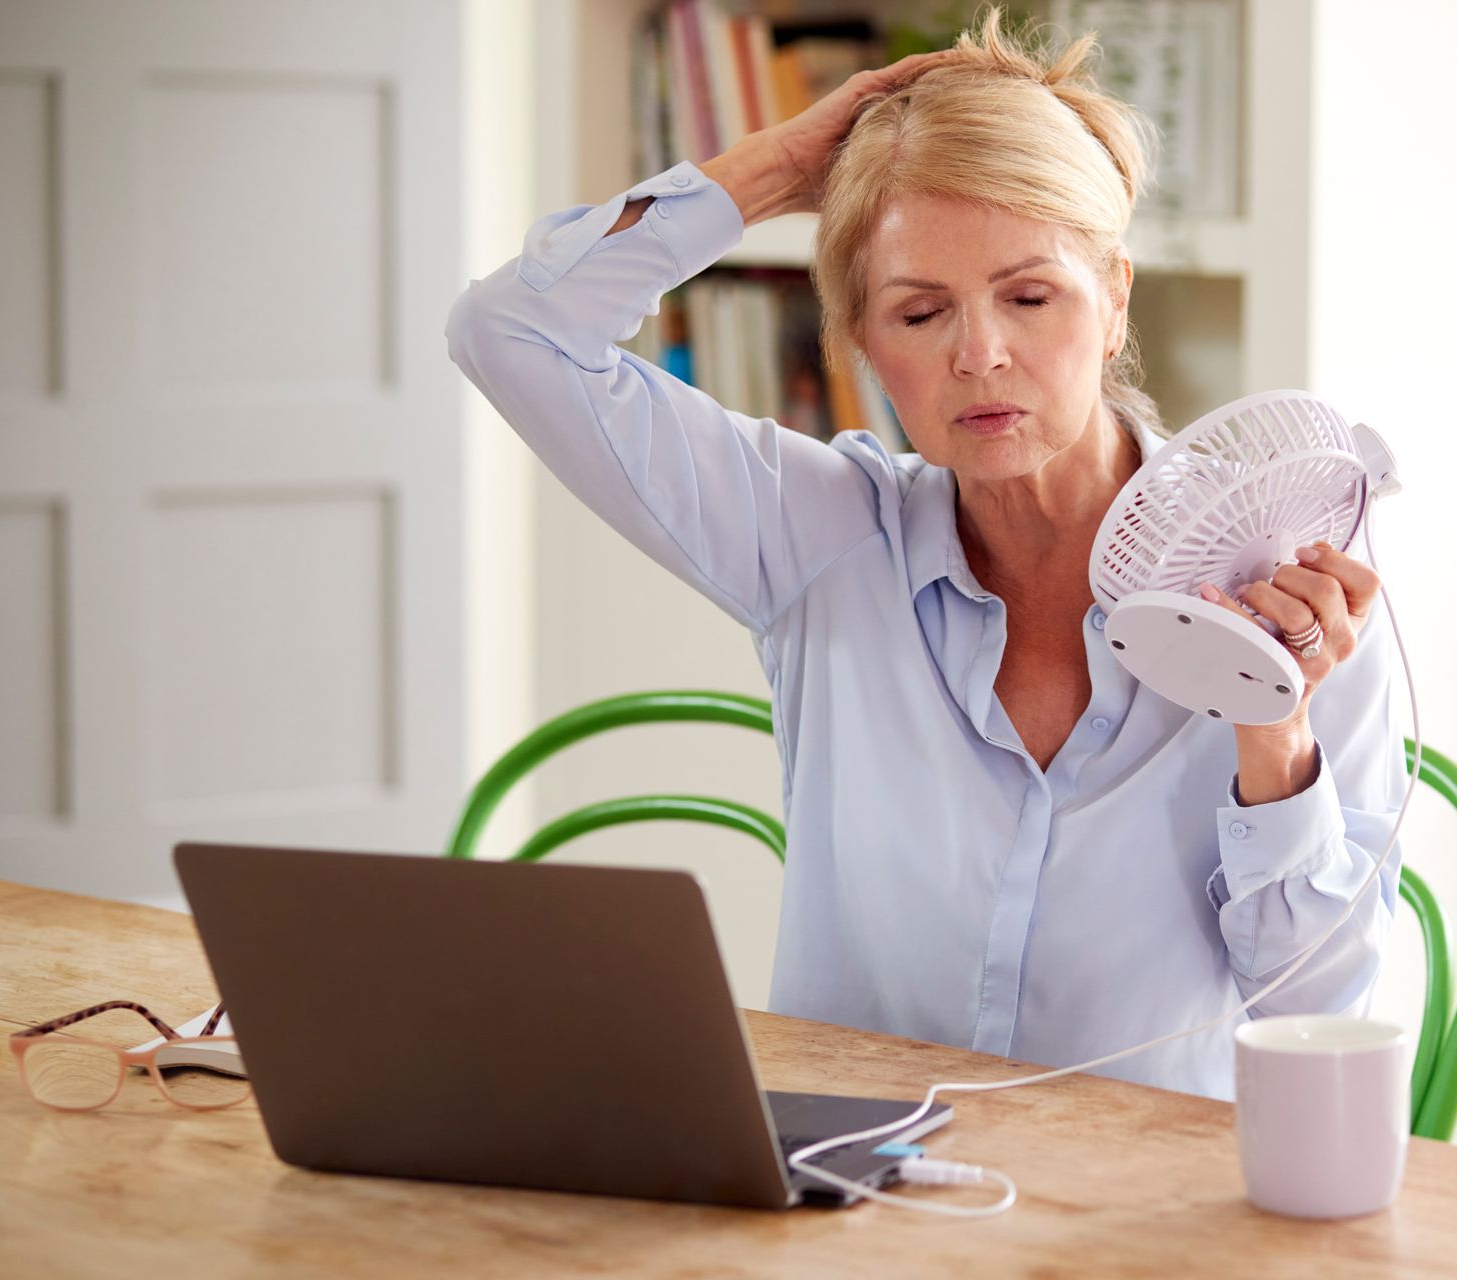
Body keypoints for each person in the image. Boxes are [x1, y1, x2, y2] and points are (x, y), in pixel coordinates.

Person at [445, 6, 1405, 1102]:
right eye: (918, 312)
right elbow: (506, 332)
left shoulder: (1294, 590)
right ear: (863, 342)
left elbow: (1318, 1017)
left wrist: (1271, 728)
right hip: (851, 1203)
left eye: (1030, 296)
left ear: (1114, 298)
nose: (979, 354)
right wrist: (776, 168)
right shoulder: (816, 535)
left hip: (1141, 1223)